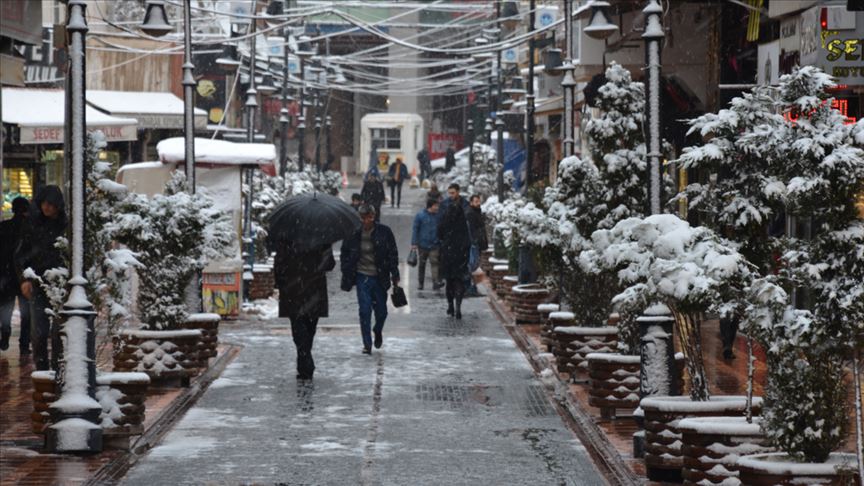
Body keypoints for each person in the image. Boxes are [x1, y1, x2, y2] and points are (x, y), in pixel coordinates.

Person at [15, 186, 66, 371]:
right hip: (38, 282)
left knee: (58, 330)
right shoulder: (32, 225)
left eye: (51, 205)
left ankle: (58, 367)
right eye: (44, 203)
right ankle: (42, 369)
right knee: (39, 331)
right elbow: (20, 254)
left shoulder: (65, 225)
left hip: (60, 283)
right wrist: (24, 279)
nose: (47, 208)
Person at [340, 205, 400, 354]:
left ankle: (377, 330)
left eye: (370, 217)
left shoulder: (384, 232)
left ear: (374, 216)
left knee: (382, 312)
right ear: (360, 218)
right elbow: (345, 252)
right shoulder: (353, 233)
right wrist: (346, 268)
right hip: (362, 276)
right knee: (364, 310)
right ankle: (367, 343)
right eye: (364, 217)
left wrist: (395, 273)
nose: (367, 220)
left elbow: (392, 253)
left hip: (380, 276)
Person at [274, 242, 335, 380]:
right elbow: (330, 264)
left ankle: (304, 359)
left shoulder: (287, 237)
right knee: (307, 329)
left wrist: (280, 282)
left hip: (294, 288)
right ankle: (305, 360)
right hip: (312, 288)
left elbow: (279, 263)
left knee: (300, 329)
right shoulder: (322, 238)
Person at [0, 197, 31, 354]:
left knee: (6, 308)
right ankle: (24, 345)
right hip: (24, 275)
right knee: (26, 312)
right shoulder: (30, 229)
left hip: (6, 275)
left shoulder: (3, 227)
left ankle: (5, 334)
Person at [437, 183, 471, 319]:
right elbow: (467, 237)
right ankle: (458, 305)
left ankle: (451, 305)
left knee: (450, 282)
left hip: (448, 253)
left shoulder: (446, 217)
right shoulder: (461, 221)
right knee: (459, 281)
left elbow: (439, 232)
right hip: (460, 254)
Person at [411, 198, 441, 291]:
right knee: (422, 264)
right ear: (430, 206)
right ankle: (421, 283)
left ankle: (435, 282)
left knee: (434, 263)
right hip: (422, 245)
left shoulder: (438, 216)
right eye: (435, 206)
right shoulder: (420, 216)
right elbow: (415, 229)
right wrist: (414, 243)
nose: (437, 208)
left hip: (434, 244)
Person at [465, 194, 488, 297]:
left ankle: (472, 287)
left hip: (477, 243)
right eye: (476, 201)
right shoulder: (470, 213)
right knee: (473, 266)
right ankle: (470, 288)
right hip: (473, 244)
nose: (478, 203)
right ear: (471, 202)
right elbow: (471, 230)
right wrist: (473, 241)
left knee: (474, 265)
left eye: (479, 201)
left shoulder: (476, 212)